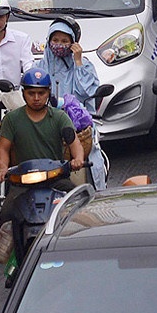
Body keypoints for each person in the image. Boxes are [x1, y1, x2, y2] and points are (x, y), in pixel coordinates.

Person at [0, 66, 85, 251]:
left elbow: (75, 143)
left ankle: (76, 250)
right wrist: (2, 168)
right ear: (24, 94)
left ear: (48, 93)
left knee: (81, 206)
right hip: (23, 182)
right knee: (6, 216)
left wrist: (77, 159)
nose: (37, 98)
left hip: (56, 179)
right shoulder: (13, 119)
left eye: (41, 93)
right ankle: (13, 260)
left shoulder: (60, 117)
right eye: (32, 93)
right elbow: (3, 149)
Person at [39, 18, 107, 188]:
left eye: (64, 41)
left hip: (78, 127)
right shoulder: (39, 66)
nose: (59, 45)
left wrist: (78, 62)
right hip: (45, 125)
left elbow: (86, 93)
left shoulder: (85, 66)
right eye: (55, 40)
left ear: (73, 43)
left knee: (90, 165)